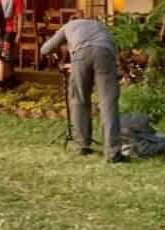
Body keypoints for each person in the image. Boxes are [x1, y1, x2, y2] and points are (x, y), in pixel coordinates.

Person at [40, 17, 125, 163]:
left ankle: (82, 146)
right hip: (105, 53)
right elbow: (112, 48)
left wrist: (61, 56)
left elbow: (45, 49)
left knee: (79, 100)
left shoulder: (68, 25)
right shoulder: (100, 25)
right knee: (108, 103)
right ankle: (112, 153)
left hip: (80, 54)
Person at [0, 0, 25, 86]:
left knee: (3, 55)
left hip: (10, 29)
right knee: (4, 56)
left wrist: (19, 33)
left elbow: (20, 15)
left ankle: (2, 82)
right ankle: (10, 79)